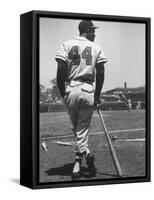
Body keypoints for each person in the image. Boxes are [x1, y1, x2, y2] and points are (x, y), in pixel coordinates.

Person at [55, 20, 107, 179]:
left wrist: (63, 91)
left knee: (75, 127)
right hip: (87, 90)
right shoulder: (96, 47)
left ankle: (83, 156)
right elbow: (101, 72)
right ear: (87, 30)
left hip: (71, 88)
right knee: (81, 129)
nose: (95, 33)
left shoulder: (67, 44)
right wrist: (97, 96)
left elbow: (61, 68)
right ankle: (80, 160)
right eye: (93, 31)